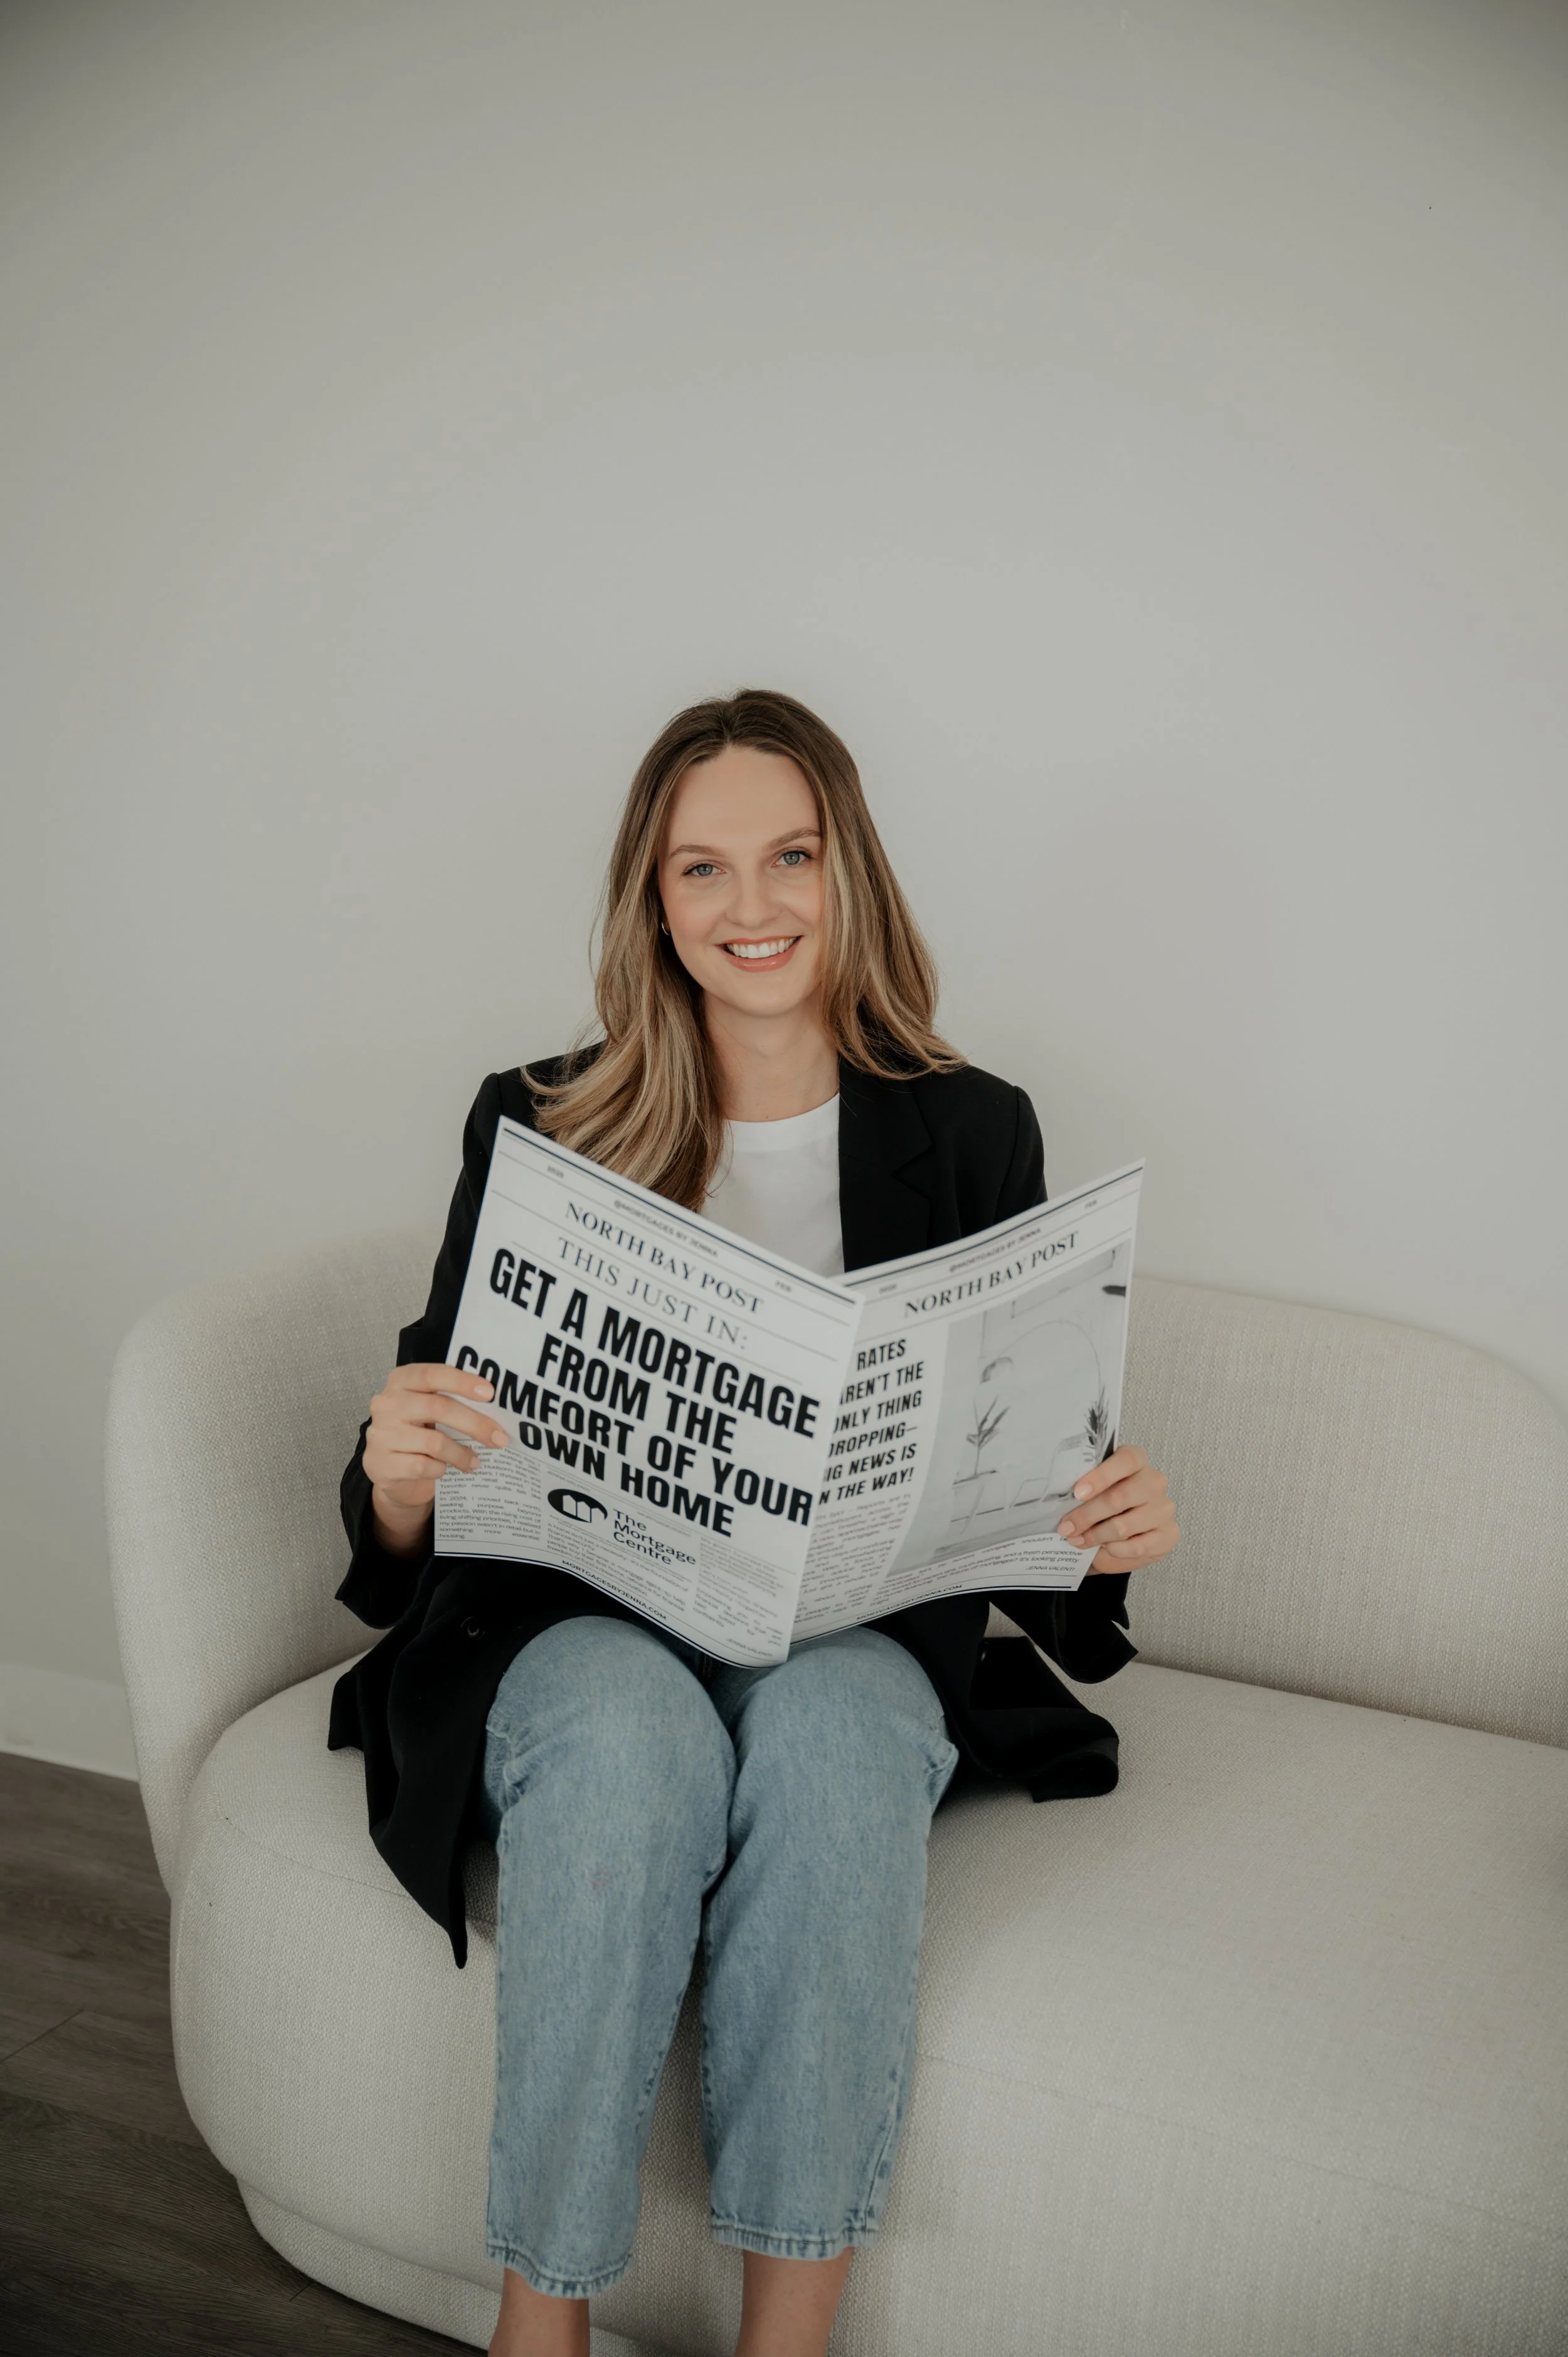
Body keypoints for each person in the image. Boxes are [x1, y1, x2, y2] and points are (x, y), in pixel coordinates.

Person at [329, 688, 1179, 2357]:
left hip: (845, 1635)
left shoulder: (972, 1124)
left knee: (845, 1735)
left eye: (788, 855)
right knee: (634, 1739)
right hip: (578, 1631)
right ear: (652, 901)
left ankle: (786, 2340)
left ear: (847, 866)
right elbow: (422, 1471)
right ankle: (539, 2326)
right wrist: (400, 1469)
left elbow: (1021, 1481)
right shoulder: (538, 1113)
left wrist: (1100, 1521)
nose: (752, 907)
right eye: (700, 869)